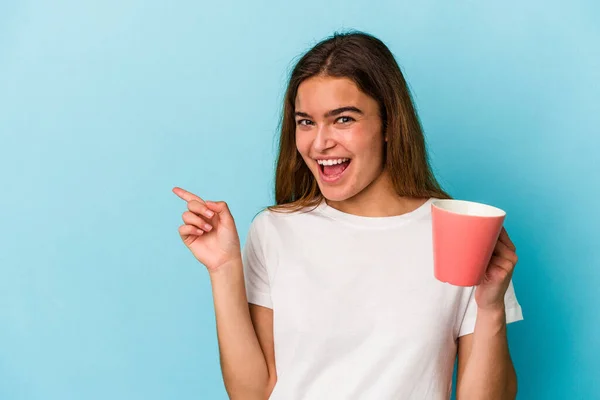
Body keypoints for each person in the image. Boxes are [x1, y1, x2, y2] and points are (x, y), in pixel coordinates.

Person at [173, 31, 524, 400]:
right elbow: (253, 393)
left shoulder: (458, 233)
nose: (320, 143)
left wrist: (490, 308)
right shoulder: (275, 230)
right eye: (305, 121)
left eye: (342, 119)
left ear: (389, 124)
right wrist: (224, 268)